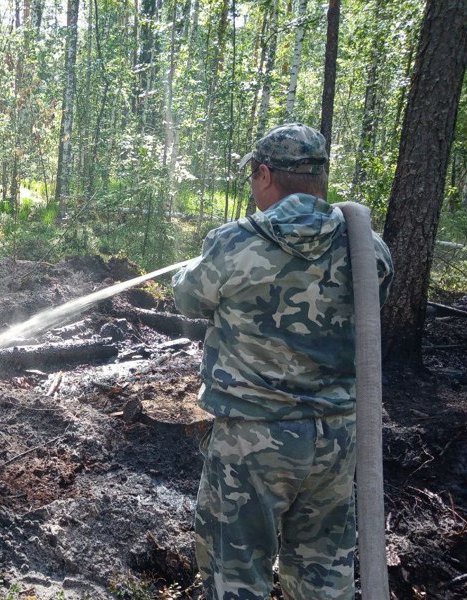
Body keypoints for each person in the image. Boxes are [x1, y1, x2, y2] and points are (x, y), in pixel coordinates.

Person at [171, 123, 393, 599]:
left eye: (254, 176)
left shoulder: (234, 243)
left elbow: (187, 299)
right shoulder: (366, 248)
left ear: (266, 174)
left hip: (254, 438)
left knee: (236, 568)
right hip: (335, 440)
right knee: (325, 568)